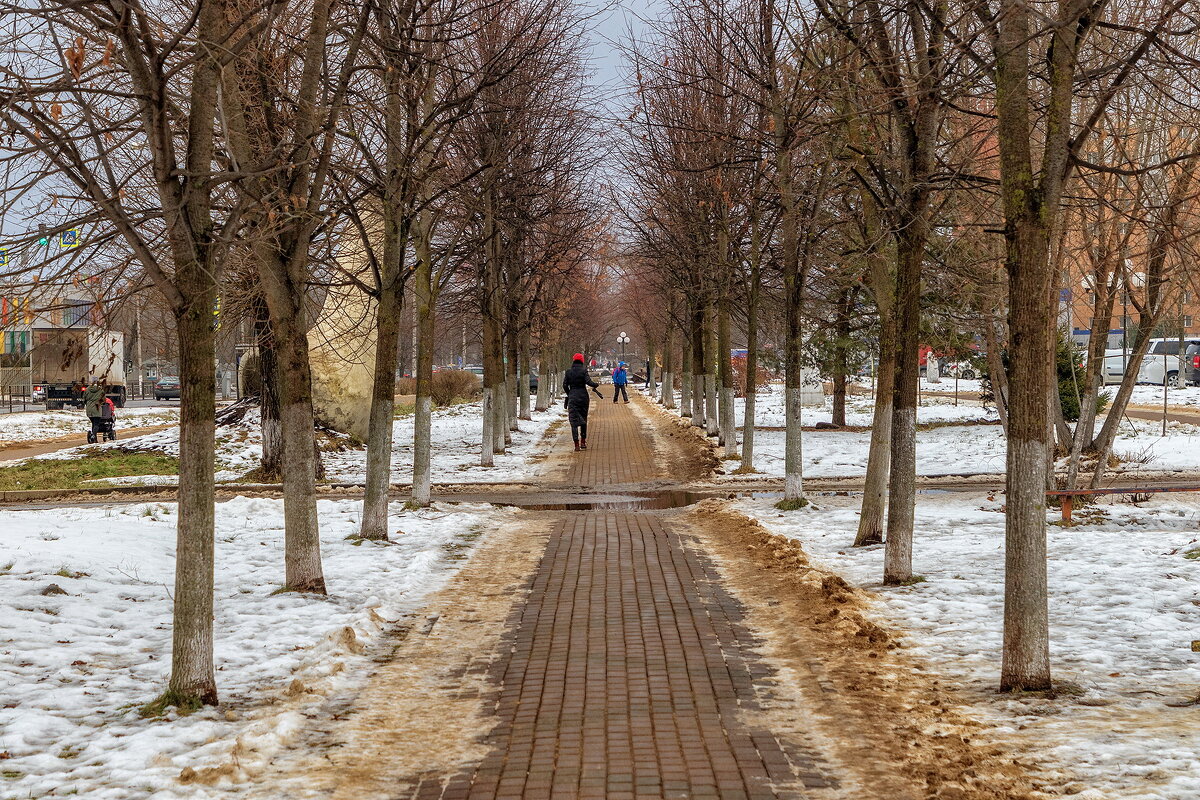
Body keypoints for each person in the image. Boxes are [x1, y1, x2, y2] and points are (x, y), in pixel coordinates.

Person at [562, 353, 601, 451]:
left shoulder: (568, 372)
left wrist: (569, 393)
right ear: (582, 360)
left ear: (573, 360)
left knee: (573, 421)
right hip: (583, 397)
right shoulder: (583, 371)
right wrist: (596, 384)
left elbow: (565, 385)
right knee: (584, 419)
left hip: (573, 398)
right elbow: (589, 382)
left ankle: (576, 444)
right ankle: (583, 442)